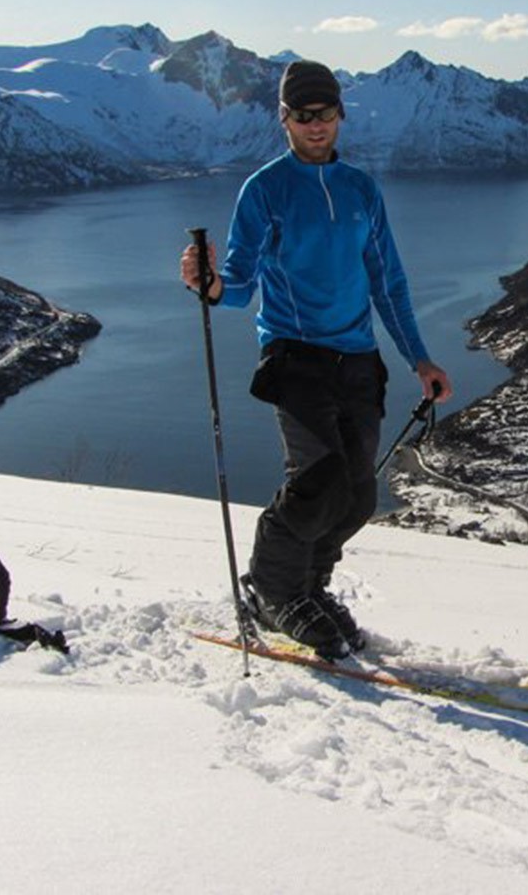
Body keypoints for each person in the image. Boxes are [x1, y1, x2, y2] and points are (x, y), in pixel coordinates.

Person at [181, 59, 452, 660]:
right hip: (294, 353)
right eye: (302, 116)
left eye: (324, 113)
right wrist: (211, 287)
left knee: (357, 495)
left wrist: (420, 360)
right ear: (283, 119)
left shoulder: (360, 189)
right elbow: (241, 284)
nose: (315, 126)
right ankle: (273, 591)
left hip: (357, 359)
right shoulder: (265, 190)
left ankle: (308, 586)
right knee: (320, 480)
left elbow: (389, 282)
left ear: (340, 114)